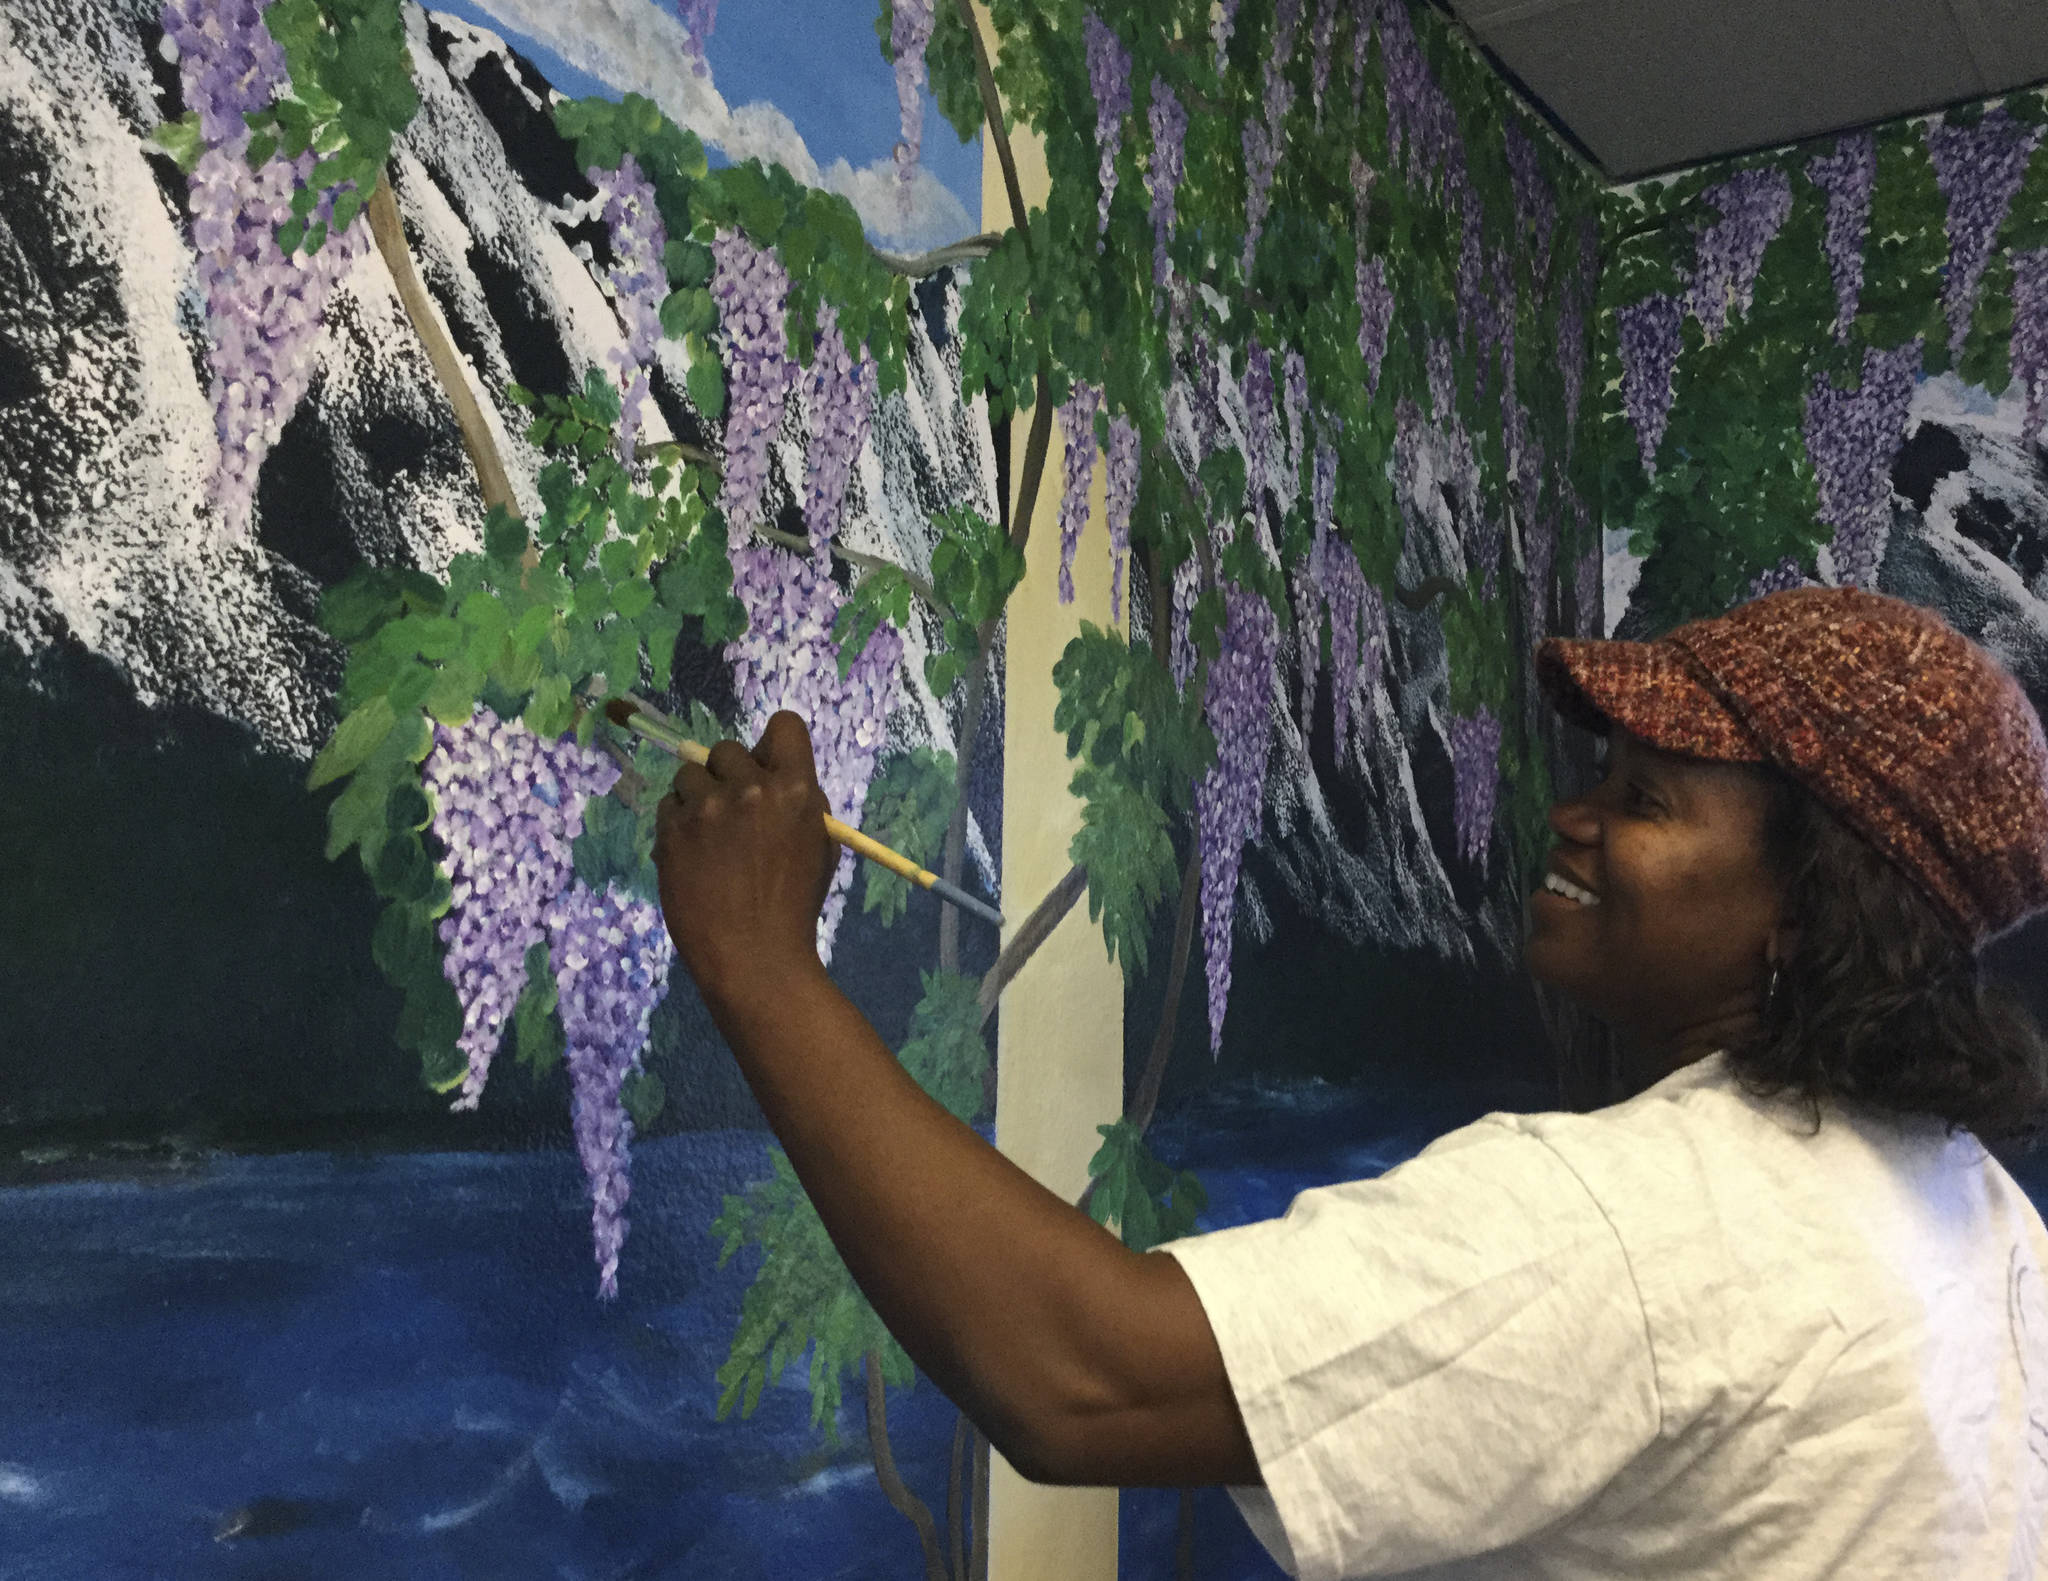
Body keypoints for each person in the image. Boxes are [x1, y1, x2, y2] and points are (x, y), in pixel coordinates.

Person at [653, 584, 2048, 1578]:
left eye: (1642, 800)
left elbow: (1077, 1375)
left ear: (1805, 909)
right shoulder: (1978, 1213)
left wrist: (762, 966)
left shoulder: (1644, 1222)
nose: (1572, 813)